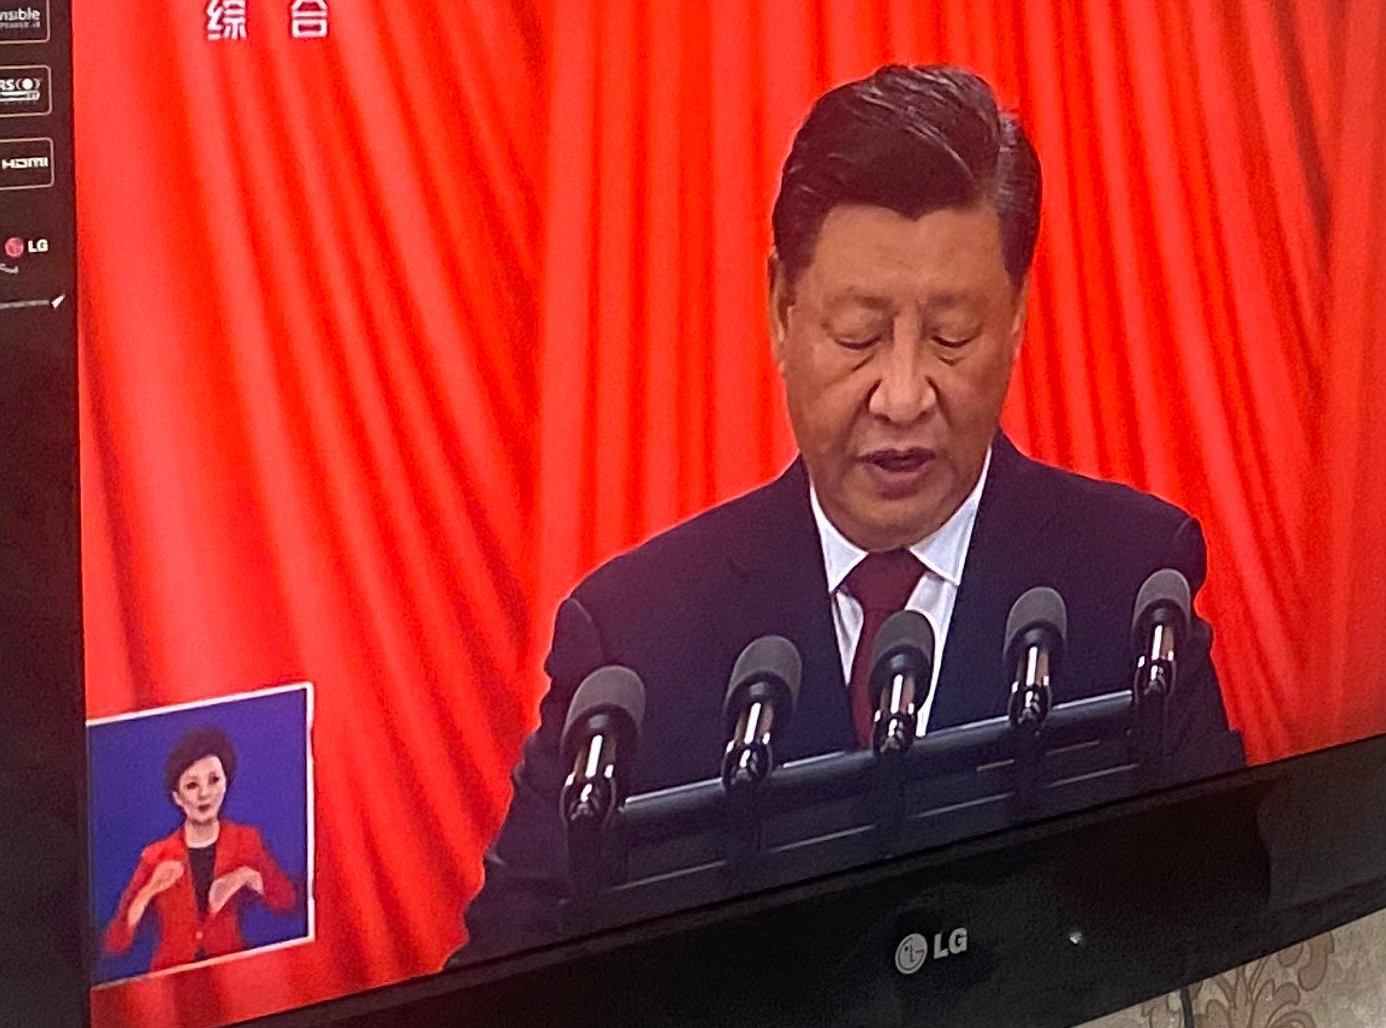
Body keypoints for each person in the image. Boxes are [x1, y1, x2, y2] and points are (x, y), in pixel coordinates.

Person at [462, 63, 1244, 960]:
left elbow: (1222, 909)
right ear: (781, 312)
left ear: (1018, 317)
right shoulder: (634, 639)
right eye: (859, 336)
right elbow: (501, 988)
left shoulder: (1133, 585)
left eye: (951, 335)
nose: (903, 395)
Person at [104, 723, 301, 976]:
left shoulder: (246, 840)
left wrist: (245, 876)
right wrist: (149, 891)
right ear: (177, 797)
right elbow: (115, 943)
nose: (205, 794)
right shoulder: (155, 855)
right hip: (172, 978)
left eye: (214, 780)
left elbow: (286, 901)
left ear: (226, 783)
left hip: (232, 972)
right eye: (192, 785)